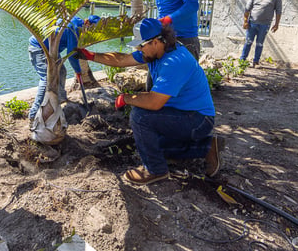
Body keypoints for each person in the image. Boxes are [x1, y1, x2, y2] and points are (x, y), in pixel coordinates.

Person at [78, 18, 221, 185]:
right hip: (183, 114)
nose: (138, 49)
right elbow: (122, 60)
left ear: (155, 42)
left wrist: (126, 98)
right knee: (153, 144)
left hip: (198, 120)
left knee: (140, 116)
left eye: (141, 45)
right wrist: (92, 56)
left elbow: (154, 102)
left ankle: (155, 170)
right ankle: (206, 147)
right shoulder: (157, 52)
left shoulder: (174, 62)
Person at [27, 16, 97, 122]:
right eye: (93, 29)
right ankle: (33, 114)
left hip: (52, 50)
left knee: (62, 71)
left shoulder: (75, 21)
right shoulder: (75, 28)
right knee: (46, 79)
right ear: (87, 23)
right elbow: (72, 53)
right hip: (39, 48)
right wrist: (78, 71)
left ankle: (60, 98)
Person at [240, 0, 282, 67]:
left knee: (259, 43)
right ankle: (242, 61)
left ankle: (256, 62)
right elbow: (247, 10)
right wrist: (245, 22)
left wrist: (276, 24)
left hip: (265, 25)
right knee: (248, 42)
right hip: (252, 24)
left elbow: (278, 11)